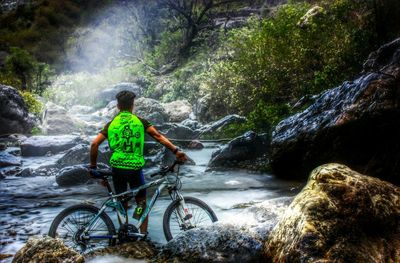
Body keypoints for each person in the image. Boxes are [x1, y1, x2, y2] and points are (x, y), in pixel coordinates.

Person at [89, 90, 187, 236]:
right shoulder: (140, 122)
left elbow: (94, 144)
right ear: (132, 105)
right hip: (135, 169)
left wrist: (93, 167)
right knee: (140, 203)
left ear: (118, 106)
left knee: (121, 202)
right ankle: (141, 231)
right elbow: (158, 136)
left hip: (118, 169)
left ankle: (125, 233)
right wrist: (175, 151)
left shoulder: (111, 124)